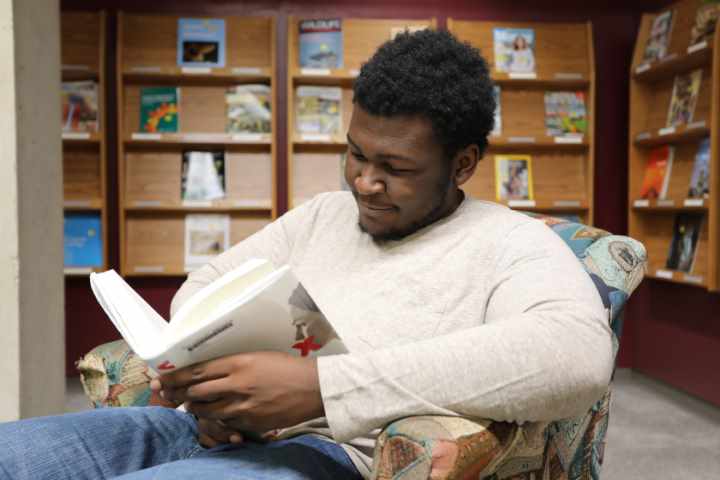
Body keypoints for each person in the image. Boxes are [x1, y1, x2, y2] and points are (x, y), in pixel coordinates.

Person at [0, 29, 612, 479]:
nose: (364, 182)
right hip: (203, 431)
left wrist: (322, 388)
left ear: (463, 164)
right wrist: (212, 380)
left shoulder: (512, 243)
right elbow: (208, 283)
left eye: (395, 168)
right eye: (356, 153)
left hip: (328, 455)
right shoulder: (323, 215)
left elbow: (576, 356)